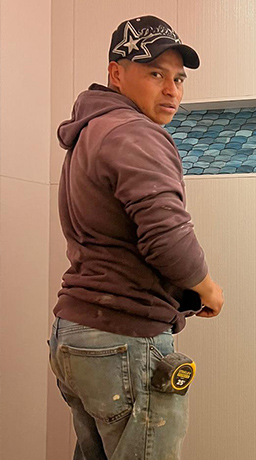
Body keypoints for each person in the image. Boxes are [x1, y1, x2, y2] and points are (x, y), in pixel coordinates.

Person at [48, 15, 224, 460]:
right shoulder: (135, 133)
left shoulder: (91, 132)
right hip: (123, 336)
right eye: (155, 74)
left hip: (76, 334)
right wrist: (206, 288)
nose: (172, 91)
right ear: (116, 73)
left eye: (178, 79)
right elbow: (166, 233)